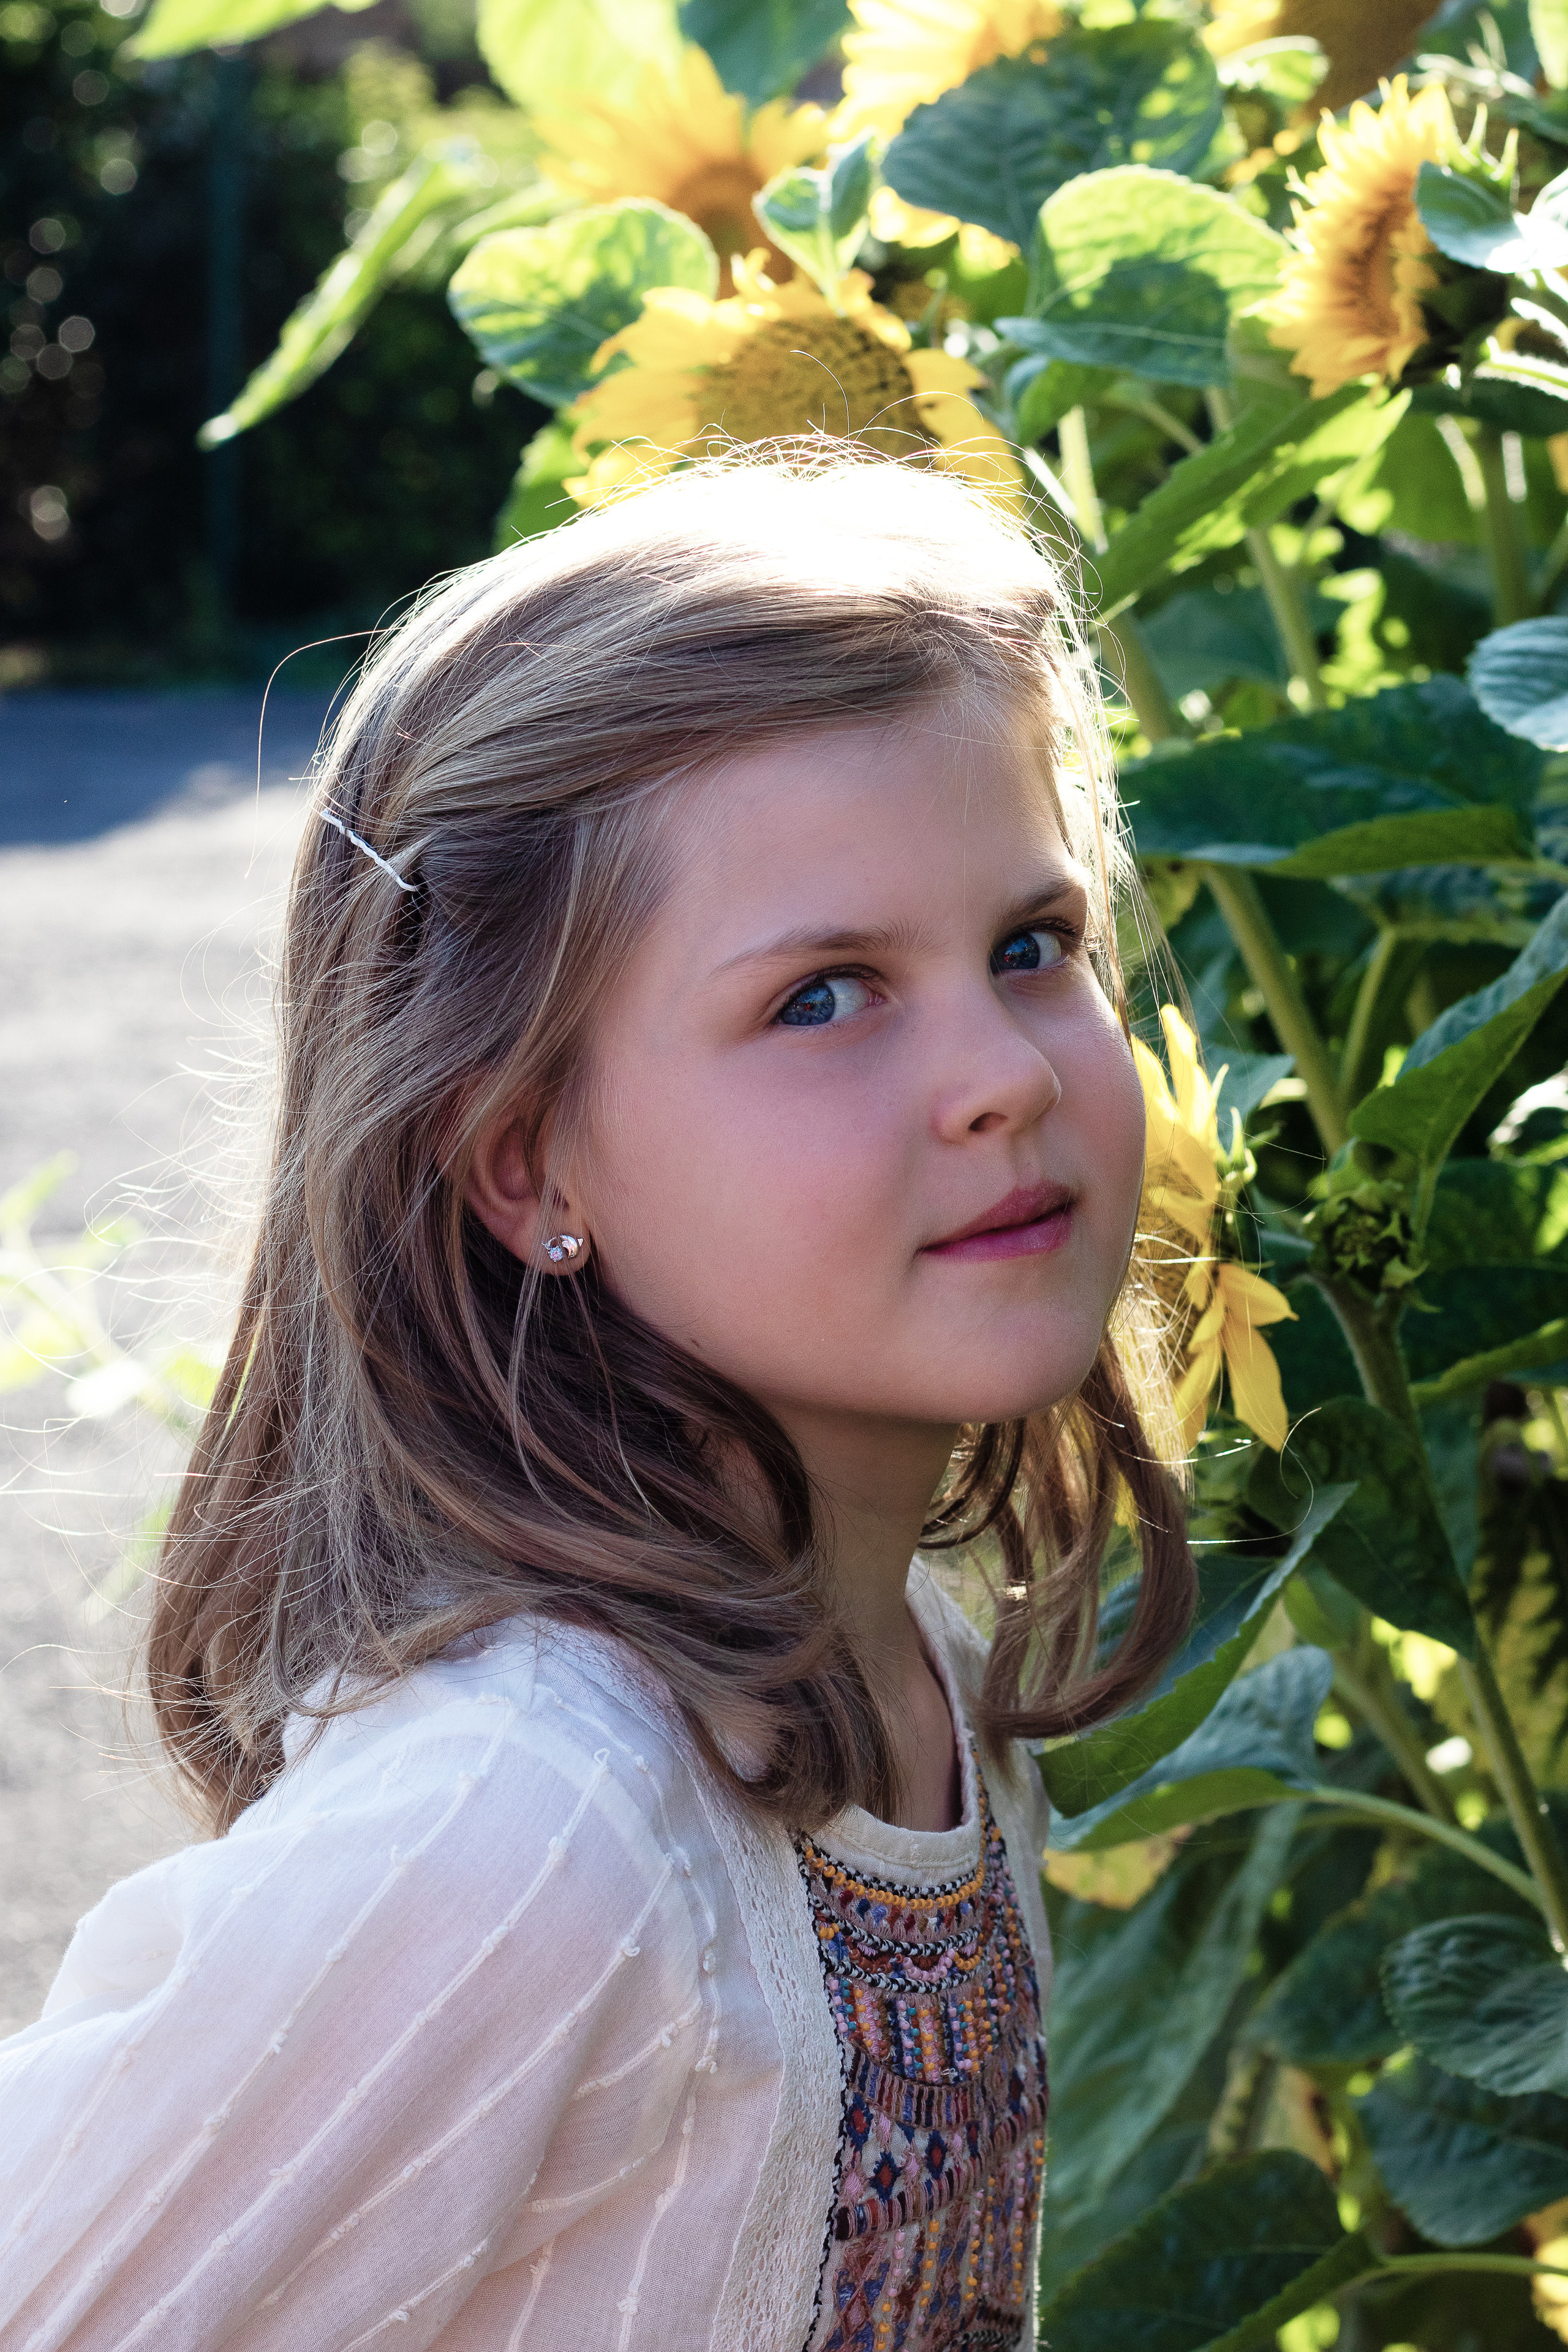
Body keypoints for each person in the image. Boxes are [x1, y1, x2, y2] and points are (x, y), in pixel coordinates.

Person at [0, 445, 1194, 2351]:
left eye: (1033, 947)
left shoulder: (919, 1673)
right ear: (524, 1160)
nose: (1002, 1073)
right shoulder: (530, 1825)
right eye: (825, 996)